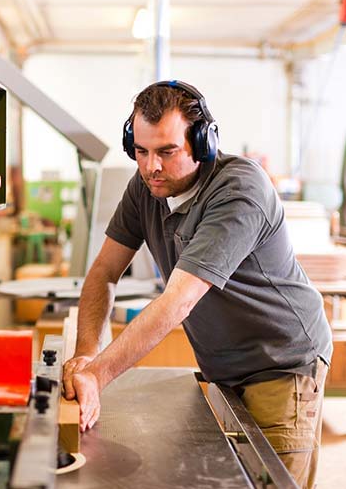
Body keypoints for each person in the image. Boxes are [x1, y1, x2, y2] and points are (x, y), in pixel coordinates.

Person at [62, 80, 333, 488]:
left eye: (167, 152)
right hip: (224, 369)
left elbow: (177, 302)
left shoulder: (240, 189)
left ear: (203, 143)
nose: (151, 166)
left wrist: (98, 376)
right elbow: (103, 273)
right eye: (141, 151)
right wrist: (86, 356)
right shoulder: (145, 188)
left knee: (271, 482)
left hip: (282, 364)